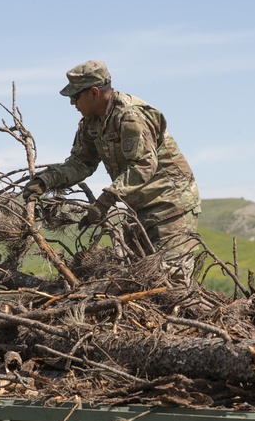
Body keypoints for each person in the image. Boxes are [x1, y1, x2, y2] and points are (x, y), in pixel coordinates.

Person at [22, 60, 201, 286]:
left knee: (171, 282)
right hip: (139, 208)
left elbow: (144, 165)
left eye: (75, 96)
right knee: (138, 279)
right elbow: (80, 163)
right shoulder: (91, 123)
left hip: (170, 205)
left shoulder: (131, 116)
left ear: (94, 92)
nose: (71, 102)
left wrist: (105, 200)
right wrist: (45, 181)